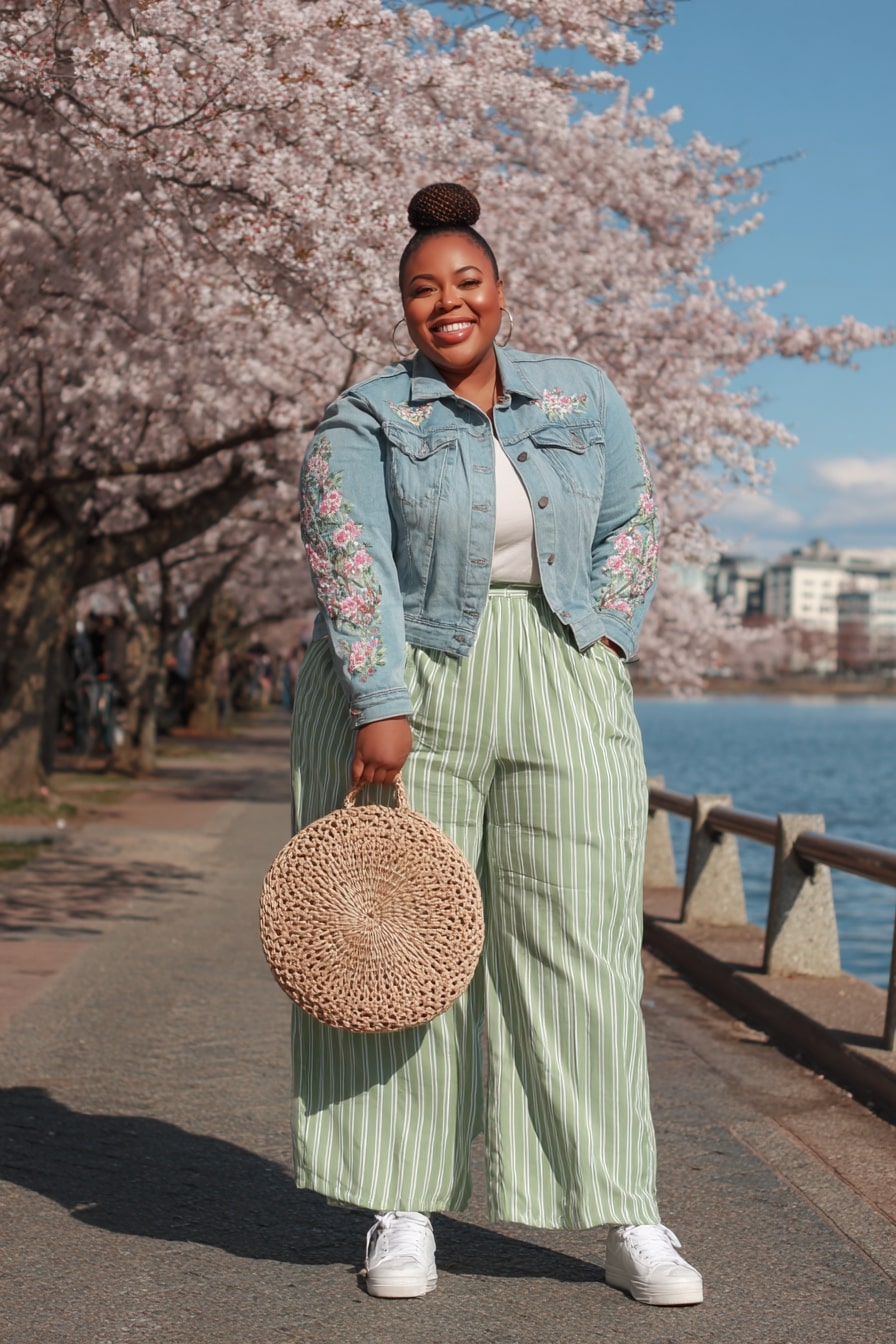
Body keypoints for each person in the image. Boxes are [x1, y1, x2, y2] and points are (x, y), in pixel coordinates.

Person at [291, 182, 703, 1308]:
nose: (446, 303)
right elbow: (348, 561)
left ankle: (625, 1209)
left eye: (464, 281)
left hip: (561, 670)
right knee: (396, 947)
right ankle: (399, 1202)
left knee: (578, 949)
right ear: (403, 309)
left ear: (499, 291)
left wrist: (606, 639)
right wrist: (378, 697)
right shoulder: (366, 418)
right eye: (423, 290)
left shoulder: (583, 397)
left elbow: (629, 518)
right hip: (412, 677)